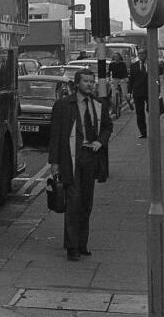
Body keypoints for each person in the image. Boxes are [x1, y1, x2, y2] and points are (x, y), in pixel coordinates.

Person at [48, 69, 112, 261]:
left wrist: (100, 142)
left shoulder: (99, 104)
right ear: (77, 84)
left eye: (92, 81)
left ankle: (82, 244)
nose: (90, 84)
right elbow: (55, 135)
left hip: (90, 158)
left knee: (86, 203)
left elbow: (107, 127)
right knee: (73, 202)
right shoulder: (63, 105)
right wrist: (54, 162)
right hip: (70, 159)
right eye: (86, 81)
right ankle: (72, 246)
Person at [128, 48, 150, 138]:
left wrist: (158, 90)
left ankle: (153, 130)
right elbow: (131, 79)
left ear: (146, 55)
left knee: (152, 111)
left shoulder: (151, 64)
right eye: (139, 54)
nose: (141, 55)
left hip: (149, 91)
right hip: (138, 92)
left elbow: (156, 78)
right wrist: (129, 91)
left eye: (143, 53)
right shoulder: (134, 66)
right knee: (140, 113)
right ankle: (143, 132)